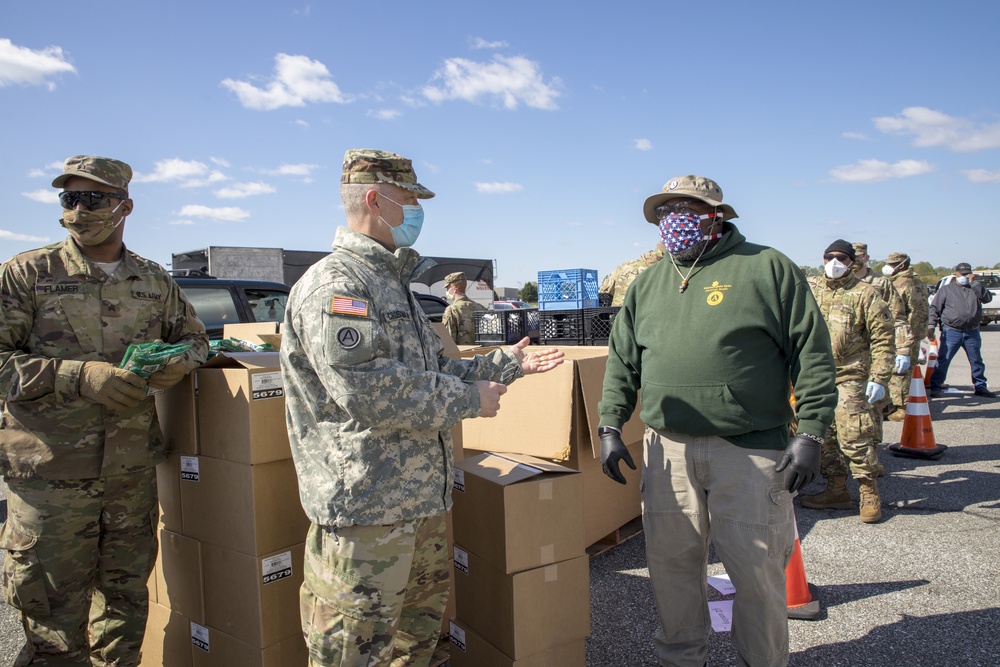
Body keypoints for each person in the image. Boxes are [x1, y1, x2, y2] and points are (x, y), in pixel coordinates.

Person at [279, 148, 564, 667]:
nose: (416, 210)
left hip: (418, 508)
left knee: (416, 649)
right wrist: (468, 401)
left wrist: (503, 366)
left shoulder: (393, 284)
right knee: (353, 655)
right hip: (365, 517)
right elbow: (365, 391)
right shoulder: (338, 286)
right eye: (409, 199)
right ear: (374, 199)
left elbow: (429, 373)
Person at [597, 175, 837, 667]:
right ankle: (681, 659)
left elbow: (811, 353)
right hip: (668, 452)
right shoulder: (648, 283)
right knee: (671, 570)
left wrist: (811, 430)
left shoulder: (767, 268)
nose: (675, 219)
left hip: (750, 452)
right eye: (667, 210)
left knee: (757, 574)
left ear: (717, 215)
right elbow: (621, 362)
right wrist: (609, 425)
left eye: (687, 207)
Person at [0, 155, 209, 666]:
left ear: (124, 207)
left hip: (129, 473)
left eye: (93, 199)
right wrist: (77, 376)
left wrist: (179, 361)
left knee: (125, 601)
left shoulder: (153, 280)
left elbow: (197, 339)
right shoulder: (28, 274)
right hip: (52, 479)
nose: (78, 211)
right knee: (51, 615)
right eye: (69, 199)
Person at [802, 241, 894, 524]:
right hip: (816, 375)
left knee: (854, 433)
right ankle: (836, 489)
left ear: (853, 262)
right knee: (823, 434)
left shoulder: (866, 294)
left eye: (840, 258)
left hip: (851, 375)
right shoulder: (811, 289)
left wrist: (880, 377)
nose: (833, 262)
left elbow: (884, 340)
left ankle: (868, 490)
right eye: (828, 257)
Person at [851, 243, 913, 430]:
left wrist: (903, 349)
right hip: (848, 354)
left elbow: (897, 317)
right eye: (851, 257)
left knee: (873, 404)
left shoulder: (881, 283)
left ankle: (872, 447)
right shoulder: (840, 283)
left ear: (866, 258)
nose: (855, 261)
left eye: (859, 256)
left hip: (874, 351)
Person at [928, 262, 995, 398]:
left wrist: (975, 284)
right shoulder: (946, 289)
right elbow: (934, 308)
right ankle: (936, 386)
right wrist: (931, 325)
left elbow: (987, 299)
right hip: (952, 331)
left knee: (976, 360)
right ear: (956, 274)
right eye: (962, 274)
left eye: (967, 273)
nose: (964, 276)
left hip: (972, 331)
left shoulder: (975, 288)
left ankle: (980, 386)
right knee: (944, 359)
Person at [881, 251, 930, 413]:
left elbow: (898, 312)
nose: (889, 268)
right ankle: (906, 402)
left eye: (893, 265)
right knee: (910, 369)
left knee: (899, 372)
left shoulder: (898, 284)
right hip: (916, 334)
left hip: (902, 334)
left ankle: (900, 408)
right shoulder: (919, 283)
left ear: (902, 265)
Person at [598, 242, 665, 307]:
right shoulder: (664, 270)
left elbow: (605, 290)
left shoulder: (625, 265)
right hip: (640, 316)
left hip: (617, 316)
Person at [441, 271, 487, 344]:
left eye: (448, 288)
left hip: (462, 354)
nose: (447, 291)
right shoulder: (481, 308)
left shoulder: (452, 310)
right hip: (480, 353)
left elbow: (448, 341)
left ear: (454, 289)